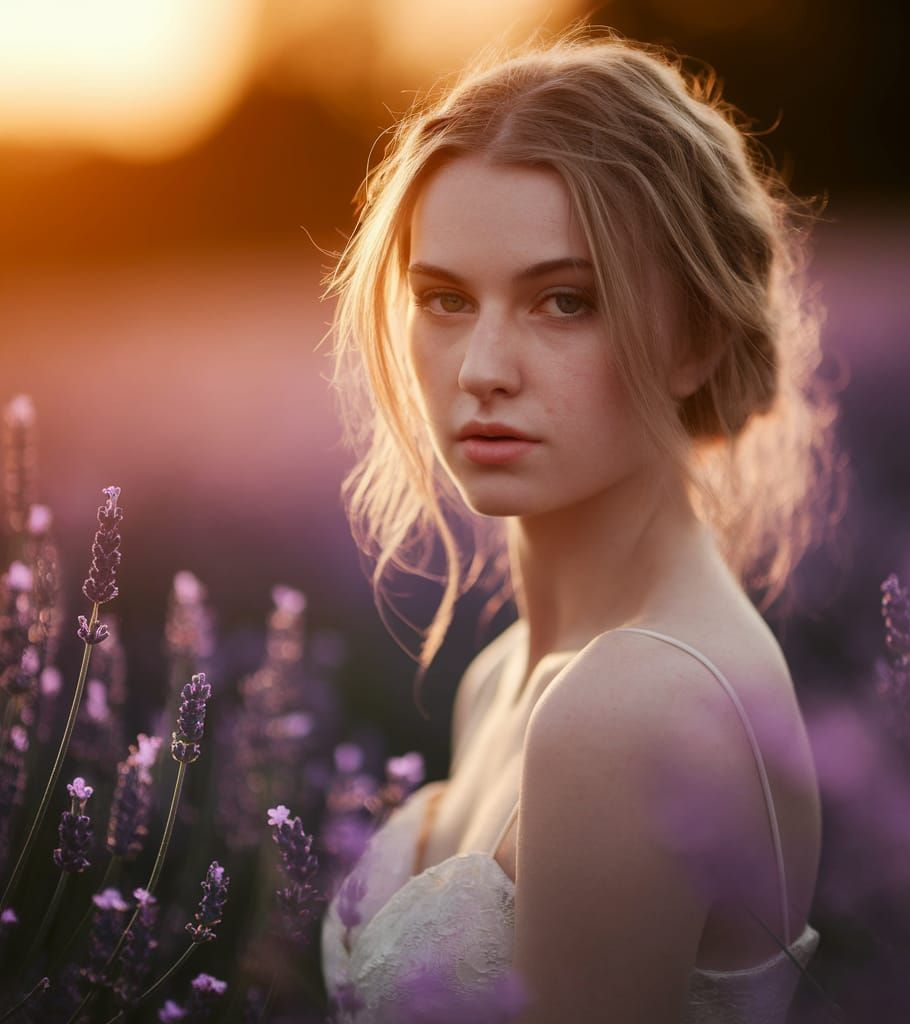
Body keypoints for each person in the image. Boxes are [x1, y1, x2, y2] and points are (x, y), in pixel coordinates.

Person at [321, 24, 839, 1024]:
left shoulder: (632, 705)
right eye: (445, 298)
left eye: (563, 301)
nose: (480, 369)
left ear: (693, 335)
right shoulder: (503, 678)